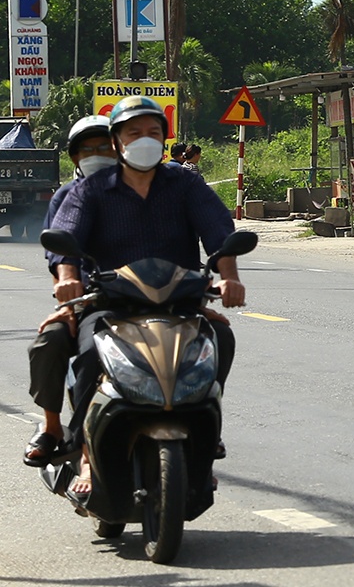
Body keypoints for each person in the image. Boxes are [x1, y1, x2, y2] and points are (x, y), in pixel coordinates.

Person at [43, 96, 245, 490]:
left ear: (165, 140)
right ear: (117, 142)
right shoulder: (92, 189)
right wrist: (68, 278)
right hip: (109, 305)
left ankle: (205, 424)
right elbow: (66, 237)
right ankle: (82, 447)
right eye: (134, 133)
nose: (144, 140)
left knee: (219, 337)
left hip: (179, 302)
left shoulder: (185, 183)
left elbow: (221, 234)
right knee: (86, 357)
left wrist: (230, 277)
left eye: (153, 132)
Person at [21, 115, 115, 466]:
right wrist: (68, 302)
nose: (97, 154)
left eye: (104, 146)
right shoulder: (67, 197)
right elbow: (59, 254)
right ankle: (53, 428)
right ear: (75, 157)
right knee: (51, 341)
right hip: (91, 298)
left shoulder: (143, 189)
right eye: (88, 149)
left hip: (146, 294)